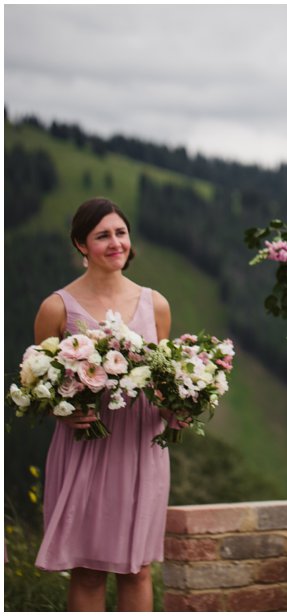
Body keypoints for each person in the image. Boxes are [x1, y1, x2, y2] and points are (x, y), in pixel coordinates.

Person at [33, 197, 173, 611]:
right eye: (102, 236)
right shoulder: (57, 308)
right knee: (88, 569)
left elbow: (165, 382)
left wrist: (179, 409)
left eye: (121, 233)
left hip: (140, 446)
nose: (116, 243)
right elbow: (41, 386)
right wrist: (66, 409)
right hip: (86, 449)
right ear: (80, 244)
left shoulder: (156, 304)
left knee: (137, 569)